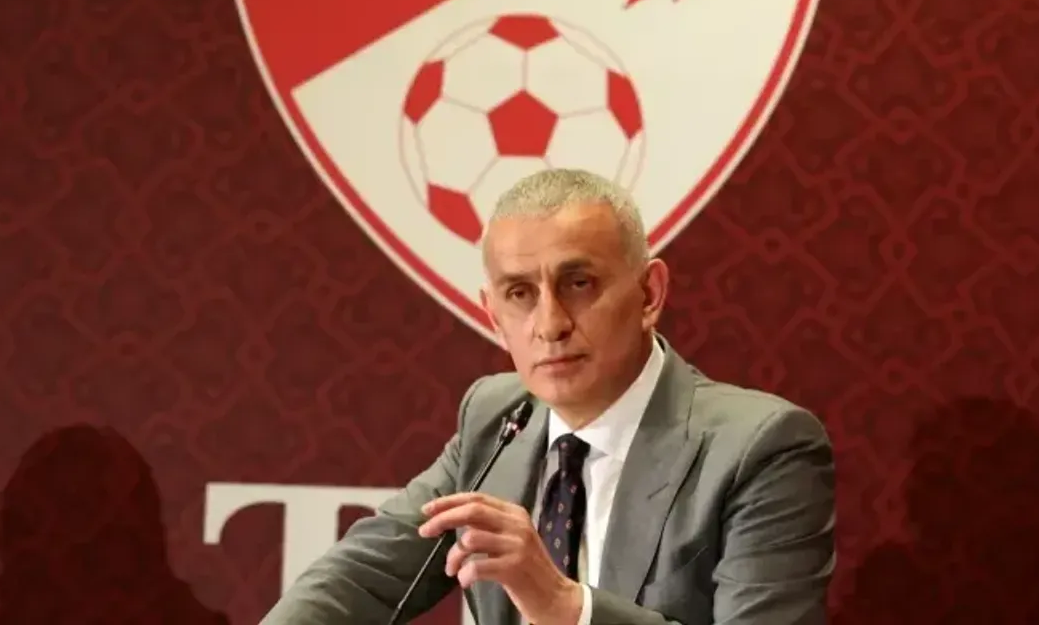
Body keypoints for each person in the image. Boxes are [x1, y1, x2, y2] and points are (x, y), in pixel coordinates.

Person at [261, 169, 836, 625]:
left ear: (649, 294)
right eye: (520, 294)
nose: (550, 324)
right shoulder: (497, 418)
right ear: (493, 315)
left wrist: (565, 606)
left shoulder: (758, 449)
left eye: (578, 284)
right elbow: (361, 578)